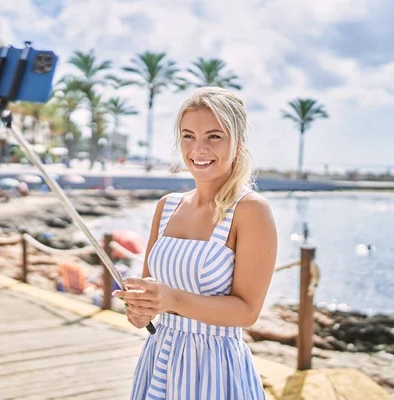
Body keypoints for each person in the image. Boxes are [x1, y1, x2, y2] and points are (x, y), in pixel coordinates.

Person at [113, 87, 277, 399]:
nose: (198, 148)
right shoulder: (167, 206)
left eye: (214, 136)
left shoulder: (251, 211)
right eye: (188, 136)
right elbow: (151, 291)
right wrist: (140, 311)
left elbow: (247, 312)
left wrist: (171, 300)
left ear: (238, 144)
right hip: (159, 358)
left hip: (215, 368)